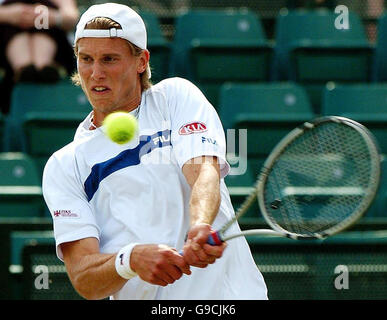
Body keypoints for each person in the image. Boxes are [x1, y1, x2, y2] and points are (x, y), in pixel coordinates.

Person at [42, 3, 267, 300]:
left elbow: (203, 171)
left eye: (109, 59)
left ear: (141, 61)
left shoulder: (175, 97)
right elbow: (85, 277)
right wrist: (130, 260)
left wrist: (199, 225)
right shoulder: (64, 165)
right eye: (86, 59)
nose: (95, 73)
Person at [0, 0, 79, 83]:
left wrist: (52, 17)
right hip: (8, 45)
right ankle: (24, 68)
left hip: (50, 36)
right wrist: (9, 14)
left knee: (43, 24)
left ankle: (42, 67)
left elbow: (71, 17)